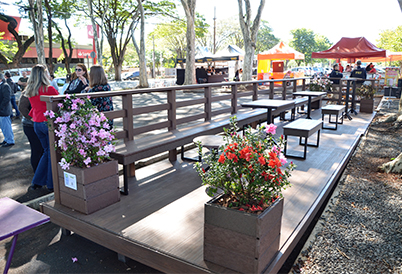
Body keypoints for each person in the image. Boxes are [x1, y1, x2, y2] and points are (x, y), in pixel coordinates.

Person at [25, 64, 59, 191]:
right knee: (52, 154)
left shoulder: (30, 90)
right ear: (44, 74)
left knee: (46, 152)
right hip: (48, 123)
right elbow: (60, 102)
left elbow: (34, 107)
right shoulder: (49, 89)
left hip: (37, 123)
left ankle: (37, 182)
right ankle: (51, 184)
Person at [18, 91, 44, 172]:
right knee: (37, 149)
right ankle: (37, 173)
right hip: (30, 125)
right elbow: (22, 107)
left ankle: (40, 172)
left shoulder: (39, 91)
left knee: (41, 150)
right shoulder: (28, 92)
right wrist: (31, 118)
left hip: (36, 124)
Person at [0, 73, 15, 147]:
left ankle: (10, 140)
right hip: (2, 110)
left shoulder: (5, 86)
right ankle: (7, 139)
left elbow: (6, 98)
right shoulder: (2, 86)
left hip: (4, 110)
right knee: (3, 126)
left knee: (6, 126)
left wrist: (1, 107)